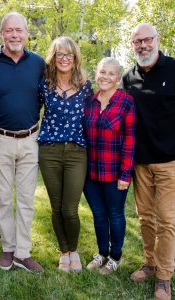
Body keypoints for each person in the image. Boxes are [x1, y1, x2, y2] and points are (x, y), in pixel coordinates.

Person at [0, 12, 44, 272]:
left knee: (26, 200)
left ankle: (23, 251)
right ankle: (8, 248)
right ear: (1, 34)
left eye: (19, 30)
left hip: (30, 138)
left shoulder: (39, 63)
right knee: (3, 198)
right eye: (9, 30)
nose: (14, 35)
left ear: (26, 34)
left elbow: (47, 95)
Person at [123, 23, 175, 300]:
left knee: (167, 221)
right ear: (132, 45)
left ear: (158, 40)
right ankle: (150, 263)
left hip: (170, 162)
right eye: (137, 42)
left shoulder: (173, 69)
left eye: (147, 40)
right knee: (146, 218)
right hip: (140, 163)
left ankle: (164, 277)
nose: (142, 45)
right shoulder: (129, 77)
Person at [38, 37, 92, 272]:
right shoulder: (44, 84)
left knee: (70, 209)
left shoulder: (85, 85)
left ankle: (74, 250)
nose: (64, 58)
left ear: (75, 58)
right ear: (53, 57)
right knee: (56, 207)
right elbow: (30, 108)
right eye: (60, 54)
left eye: (69, 54)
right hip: (48, 151)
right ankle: (64, 252)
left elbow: (95, 115)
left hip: (76, 152)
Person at [84, 57, 136, 275]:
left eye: (111, 73)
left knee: (115, 214)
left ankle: (115, 256)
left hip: (115, 173)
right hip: (90, 172)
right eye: (102, 72)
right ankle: (102, 253)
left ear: (117, 78)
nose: (105, 77)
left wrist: (126, 173)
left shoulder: (126, 102)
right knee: (98, 214)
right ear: (97, 74)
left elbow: (130, 140)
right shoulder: (89, 101)